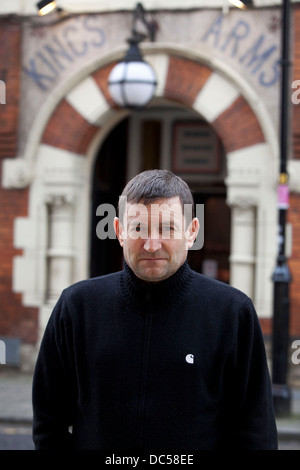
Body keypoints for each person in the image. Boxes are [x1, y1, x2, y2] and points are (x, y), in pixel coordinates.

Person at [32, 169, 278, 450]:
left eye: (167, 228)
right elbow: (48, 421)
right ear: (119, 231)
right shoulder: (77, 307)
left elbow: (255, 431)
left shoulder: (232, 312)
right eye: (138, 228)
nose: (152, 244)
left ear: (192, 231)